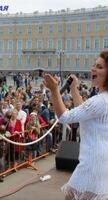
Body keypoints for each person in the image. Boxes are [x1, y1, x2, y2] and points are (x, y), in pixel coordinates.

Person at [43, 51, 108, 200]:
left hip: (92, 164)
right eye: (94, 65)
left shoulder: (99, 101)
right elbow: (84, 112)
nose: (93, 69)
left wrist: (54, 90)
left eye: (99, 67)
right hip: (100, 161)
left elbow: (65, 117)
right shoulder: (102, 100)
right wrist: (73, 89)